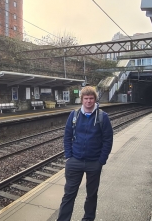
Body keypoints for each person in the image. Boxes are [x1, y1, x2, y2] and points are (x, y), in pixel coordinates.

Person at [58, 86, 113, 221]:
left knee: (91, 195)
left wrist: (102, 160)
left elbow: (108, 140)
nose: (88, 101)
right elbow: (67, 136)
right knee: (69, 194)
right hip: (75, 161)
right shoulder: (74, 115)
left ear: (95, 99)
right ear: (81, 100)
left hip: (94, 162)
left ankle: (88, 219)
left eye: (91, 98)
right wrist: (69, 156)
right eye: (86, 98)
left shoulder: (103, 117)